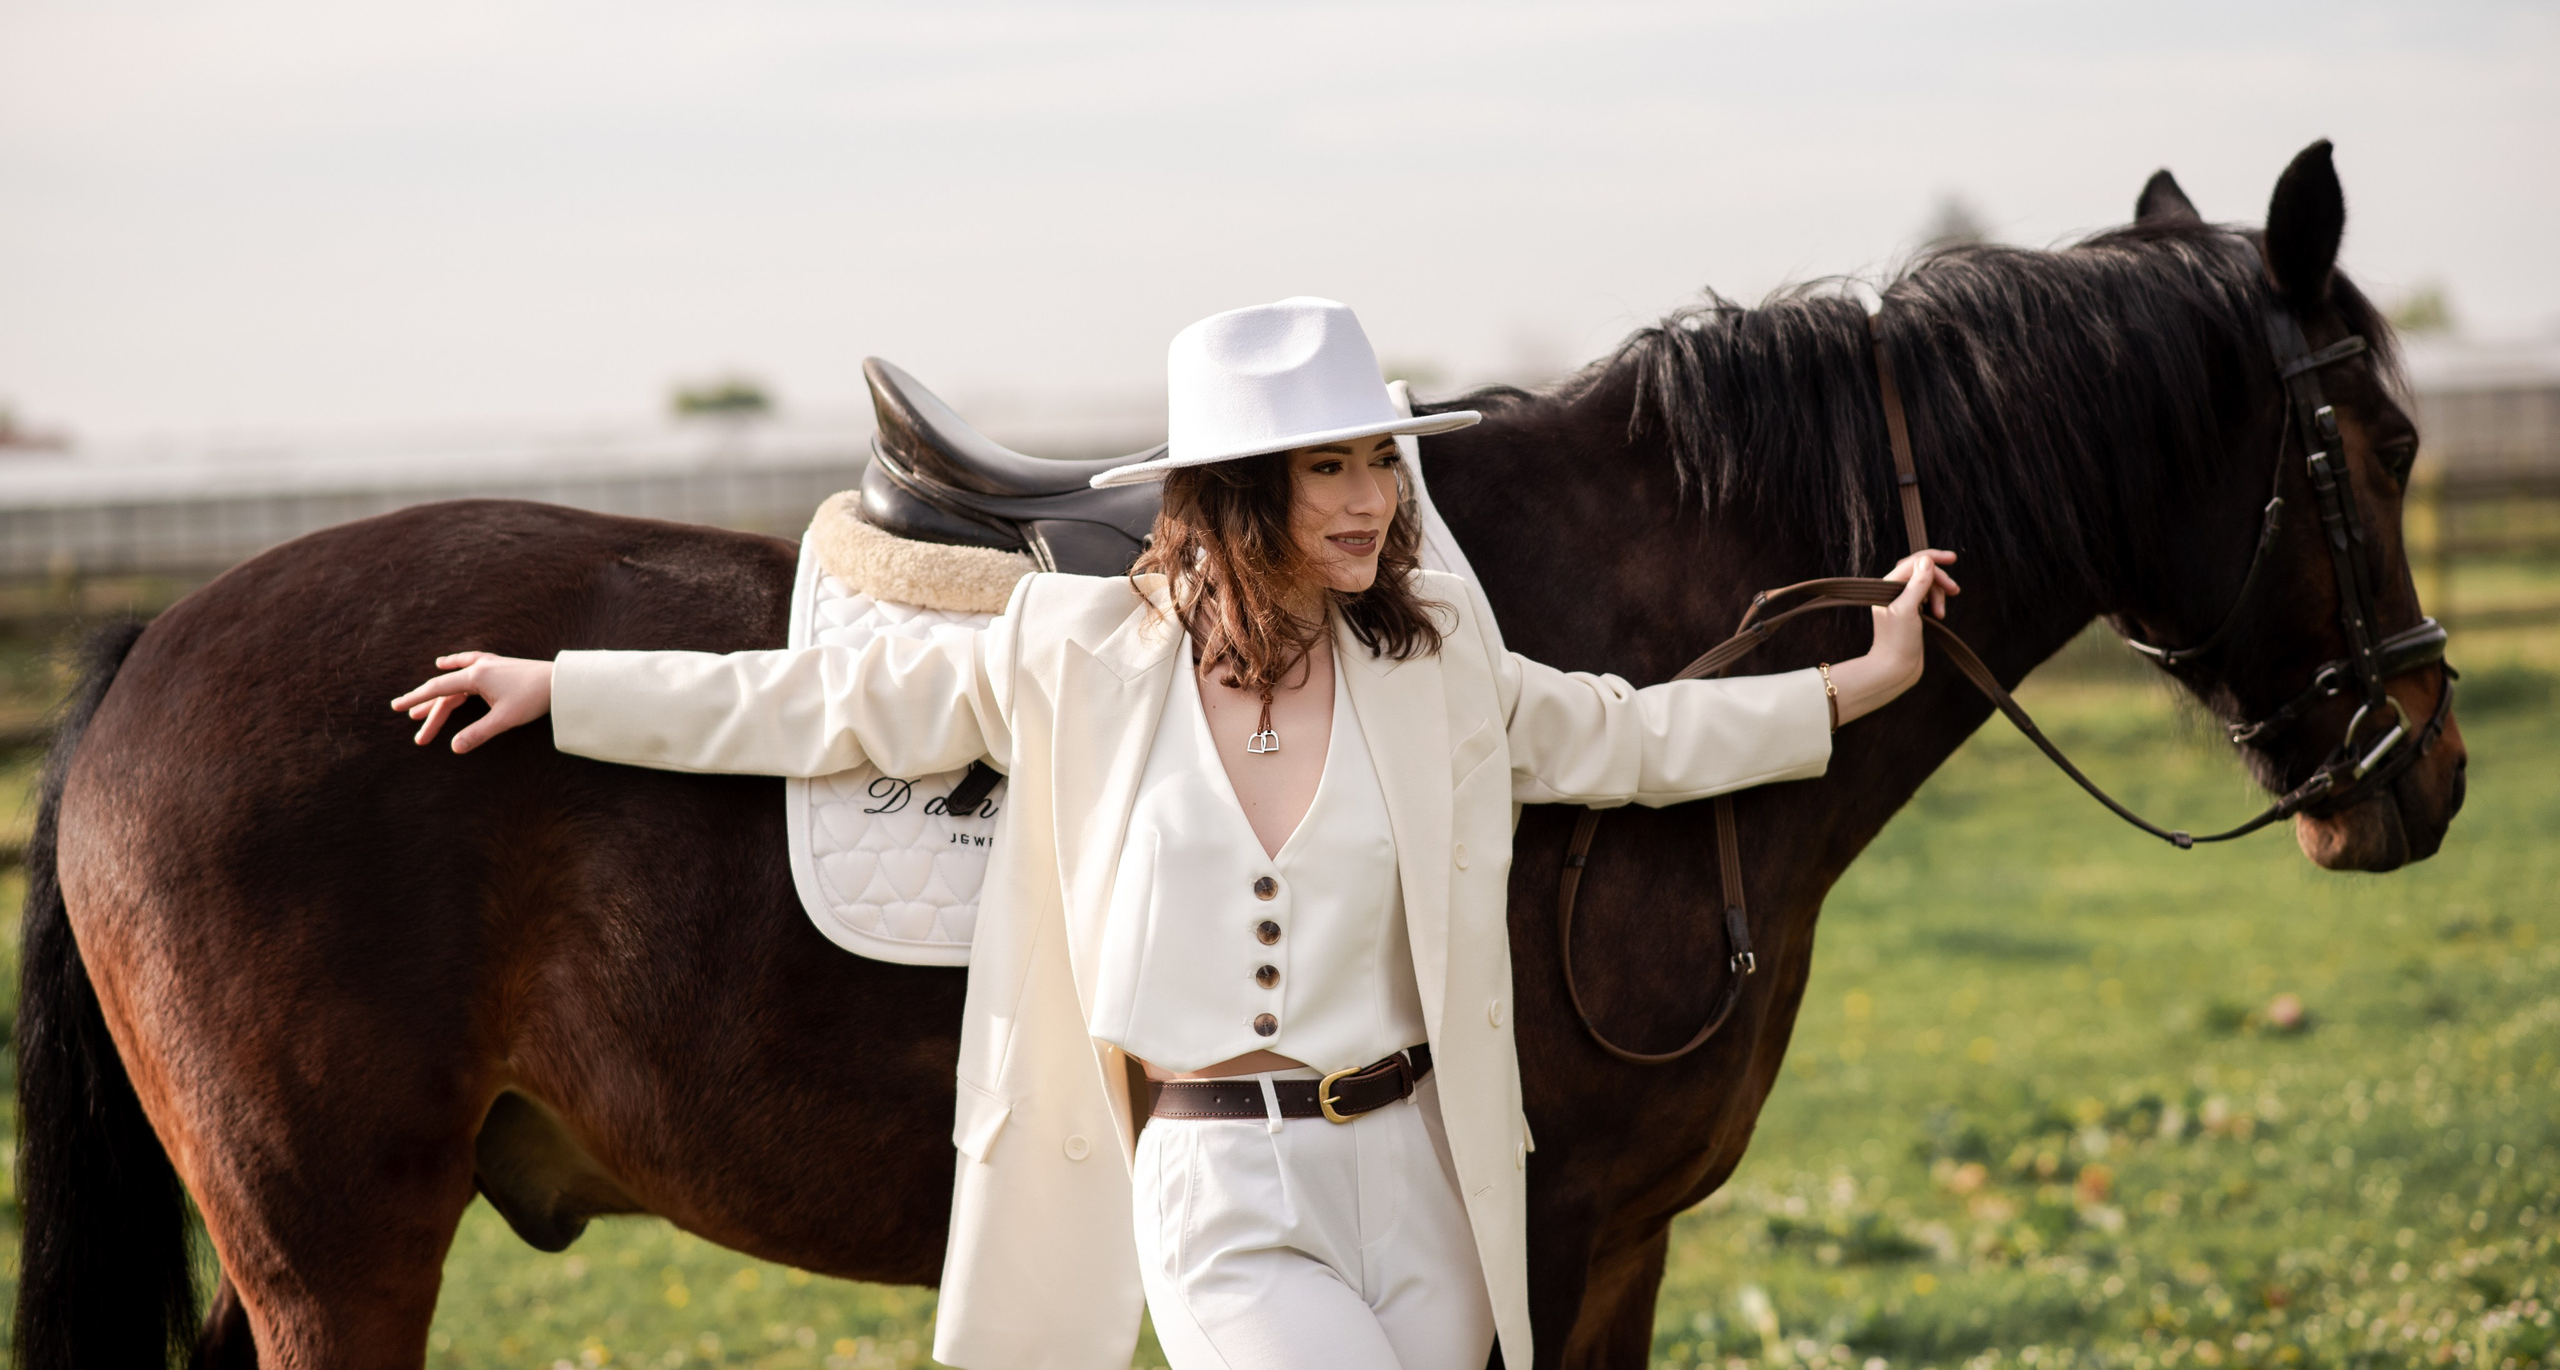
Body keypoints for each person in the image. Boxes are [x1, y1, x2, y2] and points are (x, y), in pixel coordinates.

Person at [393, 297, 1956, 1370]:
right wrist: (562, 687)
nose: (1370, 501)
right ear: (1232, 491)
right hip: (1220, 1195)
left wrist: (1861, 680)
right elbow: (814, 707)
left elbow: (1633, 736)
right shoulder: (1076, 657)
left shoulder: (1433, 670)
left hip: (1421, 1183)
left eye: (1377, 463)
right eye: (1326, 467)